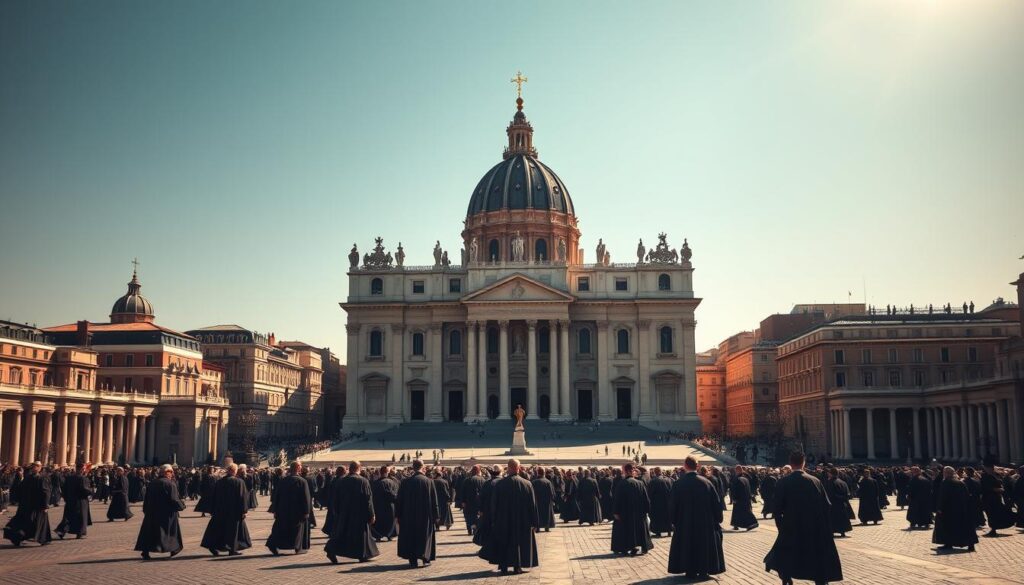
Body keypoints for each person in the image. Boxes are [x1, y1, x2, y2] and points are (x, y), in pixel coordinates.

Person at [764, 452, 843, 585]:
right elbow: (827, 505)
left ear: (791, 462)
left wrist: (781, 527)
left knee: (785, 554)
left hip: (791, 526)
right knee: (816, 555)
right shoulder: (815, 481)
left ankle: (786, 577)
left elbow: (777, 509)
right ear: (804, 463)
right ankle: (820, 580)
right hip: (814, 527)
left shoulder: (783, 482)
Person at [667, 456, 725, 579]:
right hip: (705, 523)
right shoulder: (707, 483)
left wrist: (673, 521)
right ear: (697, 466)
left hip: (685, 522)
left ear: (685, 466)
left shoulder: (678, 484)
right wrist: (718, 519)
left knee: (688, 546)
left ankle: (690, 570)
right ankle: (703, 570)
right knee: (703, 546)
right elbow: (717, 504)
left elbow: (672, 505)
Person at [487, 459, 540, 575]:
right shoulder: (527, 484)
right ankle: (518, 566)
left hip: (503, 519)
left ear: (508, 468)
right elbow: (533, 505)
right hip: (523, 520)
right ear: (518, 468)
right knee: (519, 543)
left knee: (505, 542)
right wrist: (535, 522)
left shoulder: (499, 484)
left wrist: (493, 520)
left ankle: (504, 566)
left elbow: (494, 504)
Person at [325, 461, 379, 564]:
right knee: (360, 534)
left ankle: (331, 550)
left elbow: (336, 499)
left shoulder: (341, 481)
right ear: (359, 468)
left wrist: (336, 512)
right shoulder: (363, 481)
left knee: (342, 533)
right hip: (359, 513)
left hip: (344, 513)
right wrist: (371, 514)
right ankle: (362, 554)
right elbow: (368, 499)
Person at [134, 464, 186, 559]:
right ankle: (174, 549)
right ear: (167, 472)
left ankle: (145, 551)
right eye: (171, 472)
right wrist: (182, 506)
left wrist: (145, 510)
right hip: (167, 513)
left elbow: (147, 498)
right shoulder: (170, 484)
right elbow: (174, 499)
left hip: (152, 512)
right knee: (169, 532)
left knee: (150, 532)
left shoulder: (153, 483)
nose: (172, 474)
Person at [396, 459, 440, 568]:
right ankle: (425, 558)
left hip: (408, 515)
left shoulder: (405, 482)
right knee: (424, 536)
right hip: (425, 515)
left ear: (413, 467)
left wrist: (398, 515)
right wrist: (436, 515)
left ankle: (413, 560)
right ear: (423, 467)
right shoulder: (429, 481)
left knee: (411, 536)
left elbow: (399, 500)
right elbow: (434, 501)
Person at [200, 463, 251, 556]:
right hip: (234, 511)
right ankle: (232, 549)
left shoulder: (219, 482)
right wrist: (244, 510)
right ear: (234, 471)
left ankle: (213, 546)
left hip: (220, 510)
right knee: (233, 530)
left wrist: (212, 509)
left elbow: (214, 496)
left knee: (218, 529)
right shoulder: (239, 482)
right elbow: (242, 497)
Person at [267, 461, 314, 555]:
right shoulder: (302, 481)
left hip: (283, 509)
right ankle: (297, 547)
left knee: (280, 528)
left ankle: (273, 544)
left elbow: (277, 495)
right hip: (297, 511)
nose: (301, 468)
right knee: (297, 529)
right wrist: (306, 511)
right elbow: (306, 497)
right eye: (300, 466)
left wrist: (275, 509)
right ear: (297, 468)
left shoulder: (283, 480)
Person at [2, 462, 52, 547]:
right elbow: (45, 492)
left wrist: (18, 500)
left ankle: (18, 537)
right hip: (37, 506)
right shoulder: (41, 478)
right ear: (40, 468)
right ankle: (42, 539)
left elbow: (19, 489)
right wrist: (45, 505)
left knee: (25, 521)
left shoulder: (28, 478)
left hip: (26, 505)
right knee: (37, 522)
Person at [611, 463, 653, 556]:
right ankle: (644, 547)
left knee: (625, 530)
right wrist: (647, 510)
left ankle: (626, 547)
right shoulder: (640, 483)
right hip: (639, 512)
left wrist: (616, 512)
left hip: (625, 512)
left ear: (625, 471)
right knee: (640, 530)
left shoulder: (622, 484)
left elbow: (617, 499)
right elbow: (646, 499)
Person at [932, 466, 977, 552]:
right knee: (964, 526)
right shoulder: (960, 483)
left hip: (949, 510)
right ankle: (970, 544)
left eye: (944, 472)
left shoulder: (945, 483)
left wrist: (939, 508)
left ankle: (948, 543)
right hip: (962, 509)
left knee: (948, 526)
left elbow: (942, 497)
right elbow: (967, 496)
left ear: (946, 473)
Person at [56, 463, 93, 539]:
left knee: (68, 517)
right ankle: (79, 533)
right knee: (81, 517)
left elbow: (64, 489)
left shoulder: (69, 478)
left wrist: (66, 498)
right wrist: (91, 492)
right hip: (80, 501)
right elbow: (84, 489)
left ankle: (61, 531)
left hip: (70, 500)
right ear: (82, 469)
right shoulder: (82, 478)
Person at [371, 465, 399, 541]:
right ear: (387, 472)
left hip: (378, 505)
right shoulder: (392, 482)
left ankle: (378, 535)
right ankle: (389, 535)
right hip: (390, 506)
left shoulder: (375, 483)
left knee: (380, 522)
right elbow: (394, 495)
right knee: (390, 521)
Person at [823, 468, 852, 537]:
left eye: (829, 473)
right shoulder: (843, 482)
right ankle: (842, 532)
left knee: (833, 518)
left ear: (831, 473)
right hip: (842, 503)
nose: (828, 474)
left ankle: (832, 531)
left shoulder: (830, 482)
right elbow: (848, 493)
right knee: (842, 518)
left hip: (834, 503)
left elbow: (829, 494)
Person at [729, 466, 759, 530]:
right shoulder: (746, 479)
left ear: (737, 470)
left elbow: (735, 490)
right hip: (746, 499)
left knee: (744, 513)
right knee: (740, 512)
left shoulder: (738, 479)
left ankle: (753, 523)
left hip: (739, 499)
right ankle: (735, 525)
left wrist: (734, 498)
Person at [648, 467, 673, 537]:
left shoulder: (653, 481)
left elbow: (650, 493)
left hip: (657, 503)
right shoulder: (668, 480)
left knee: (657, 517)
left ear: (655, 472)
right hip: (667, 502)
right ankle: (669, 531)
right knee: (667, 517)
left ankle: (658, 532)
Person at [531, 466, 556, 532]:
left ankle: (538, 527)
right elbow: (551, 492)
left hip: (537, 501)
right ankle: (547, 527)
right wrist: (553, 500)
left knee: (538, 514)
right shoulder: (548, 482)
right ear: (544, 473)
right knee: (547, 514)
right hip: (546, 502)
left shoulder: (534, 482)